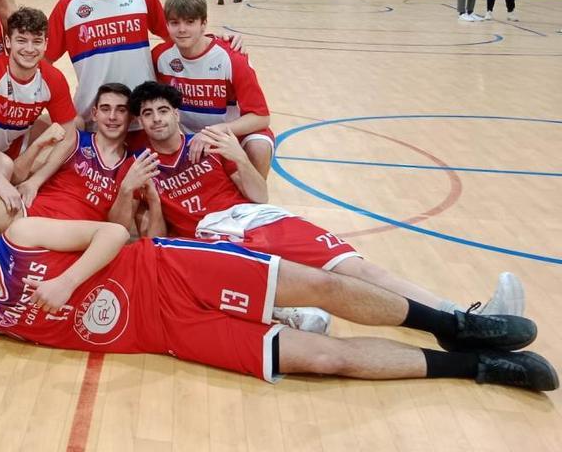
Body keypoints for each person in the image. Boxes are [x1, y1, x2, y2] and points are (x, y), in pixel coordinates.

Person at [0, 219, 556, 392]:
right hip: (174, 332)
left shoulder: (19, 238)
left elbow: (112, 233)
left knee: (321, 286)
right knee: (322, 359)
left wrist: (66, 286)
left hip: (169, 266)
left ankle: (459, 326)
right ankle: (477, 368)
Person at [128, 80, 525, 322]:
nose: (157, 119)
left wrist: (237, 157)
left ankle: (463, 316)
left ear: (177, 114)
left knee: (356, 269)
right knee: (297, 285)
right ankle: (290, 314)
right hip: (211, 236)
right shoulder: (143, 167)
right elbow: (156, 239)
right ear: (141, 124)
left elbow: (260, 194)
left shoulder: (214, 143)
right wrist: (154, 202)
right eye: (148, 114)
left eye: (163, 110)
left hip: (256, 216)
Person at [0, 83, 158, 242]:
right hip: (32, 210)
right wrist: (38, 147)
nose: (112, 116)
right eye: (105, 108)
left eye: (121, 110)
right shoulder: (74, 139)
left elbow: (118, 228)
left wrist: (126, 190)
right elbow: (20, 176)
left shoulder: (134, 165)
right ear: (94, 113)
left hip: (74, 236)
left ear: (132, 117)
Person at [0, 7, 78, 212]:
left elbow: (70, 136)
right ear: (8, 42)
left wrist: (35, 181)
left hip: (6, 147)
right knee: (3, 167)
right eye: (21, 40)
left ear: (46, 44)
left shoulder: (53, 79)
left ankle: (6, 191)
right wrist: (0, 181)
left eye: (36, 41)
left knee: (73, 127)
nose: (29, 49)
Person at [45, 0, 168, 126]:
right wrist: (62, 107)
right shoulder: (67, 7)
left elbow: (177, 39)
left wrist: (220, 42)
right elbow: (42, 62)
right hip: (93, 123)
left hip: (143, 120)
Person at [151, 0, 274, 177]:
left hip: (230, 132)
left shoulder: (231, 58)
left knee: (259, 146)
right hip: (184, 134)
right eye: (175, 23)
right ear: (167, 25)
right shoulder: (160, 56)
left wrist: (215, 131)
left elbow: (261, 117)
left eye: (190, 22)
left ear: (204, 24)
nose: (182, 29)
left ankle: (252, 202)